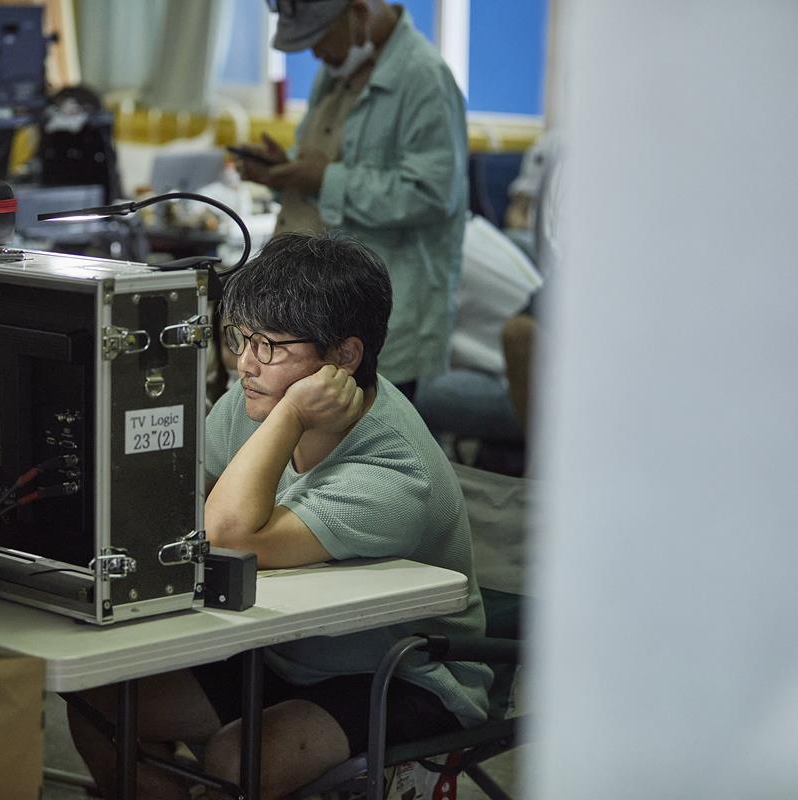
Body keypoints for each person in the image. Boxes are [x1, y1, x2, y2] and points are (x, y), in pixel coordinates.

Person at [66, 233, 491, 799]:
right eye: (239, 338)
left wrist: (289, 413)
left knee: (238, 759)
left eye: (269, 347)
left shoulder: (397, 470)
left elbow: (224, 535)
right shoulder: (248, 405)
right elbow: (175, 501)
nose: (244, 364)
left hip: (401, 674)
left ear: (344, 357)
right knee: (99, 701)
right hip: (288, 652)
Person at [234, 0, 469, 398]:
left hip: (380, 310)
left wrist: (324, 179)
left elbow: (432, 193)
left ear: (358, 13)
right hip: (313, 309)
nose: (316, 54)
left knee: (364, 439)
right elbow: (326, 172)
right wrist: (282, 173)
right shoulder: (335, 72)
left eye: (321, 39)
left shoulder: (424, 78)